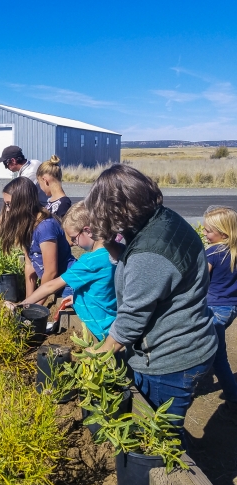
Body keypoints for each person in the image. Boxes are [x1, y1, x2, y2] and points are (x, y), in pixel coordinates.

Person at [84, 164, 217, 442]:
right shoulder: (162, 219)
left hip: (170, 359)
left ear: (118, 208)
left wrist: (94, 359)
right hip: (190, 341)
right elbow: (142, 271)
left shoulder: (151, 253)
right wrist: (111, 243)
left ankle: (175, 481)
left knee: (160, 436)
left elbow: (130, 323)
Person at [18, 201, 118, 340]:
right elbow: (103, 288)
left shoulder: (90, 261)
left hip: (99, 331)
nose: (72, 243)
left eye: (73, 238)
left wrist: (21, 306)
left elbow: (51, 286)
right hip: (113, 323)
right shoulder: (114, 251)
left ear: (87, 231)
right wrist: (79, 298)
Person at [0, 176, 74, 302]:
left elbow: (51, 272)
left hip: (67, 286)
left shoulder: (45, 227)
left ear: (22, 203)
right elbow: (29, 266)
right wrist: (28, 301)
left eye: (9, 204)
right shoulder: (26, 225)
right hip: (51, 286)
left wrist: (35, 306)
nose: (7, 209)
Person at [203, 206, 237, 423]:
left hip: (213, 309)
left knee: (219, 357)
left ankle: (233, 398)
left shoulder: (212, 253)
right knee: (212, 347)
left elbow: (199, 281)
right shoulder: (233, 251)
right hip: (231, 309)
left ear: (223, 233)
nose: (205, 235)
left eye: (208, 231)